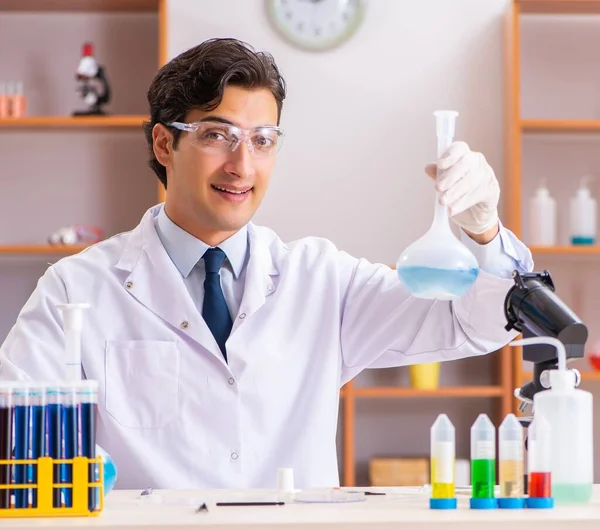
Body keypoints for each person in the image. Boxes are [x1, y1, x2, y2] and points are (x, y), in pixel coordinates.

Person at [0, 38, 532, 490]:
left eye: (262, 140)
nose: (242, 165)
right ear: (164, 143)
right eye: (216, 135)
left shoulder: (321, 281)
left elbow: (473, 325)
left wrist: (484, 229)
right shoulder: (78, 289)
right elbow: (15, 427)